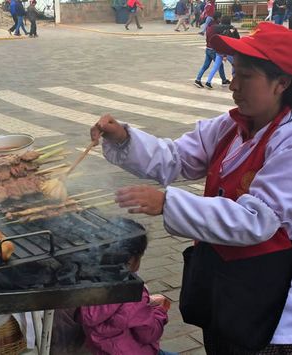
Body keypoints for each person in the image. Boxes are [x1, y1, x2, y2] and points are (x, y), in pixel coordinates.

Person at [90, 22, 292, 354]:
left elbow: (257, 219)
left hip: (268, 304)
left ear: (281, 83)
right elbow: (177, 157)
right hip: (227, 286)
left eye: (246, 76)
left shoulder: (287, 141)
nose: (233, 85)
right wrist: (124, 137)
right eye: (233, 72)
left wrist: (168, 204)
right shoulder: (231, 125)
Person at [79, 235, 178, 355]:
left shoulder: (86, 285)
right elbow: (148, 334)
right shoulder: (133, 295)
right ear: (131, 260)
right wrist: (159, 311)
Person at [194, 11, 230, 88]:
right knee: (220, 65)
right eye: (220, 17)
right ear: (218, 18)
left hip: (208, 48)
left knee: (205, 66)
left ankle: (198, 79)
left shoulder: (209, 25)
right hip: (213, 49)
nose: (221, 19)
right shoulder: (216, 27)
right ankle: (223, 80)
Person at [204, 16, 239, 89]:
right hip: (228, 51)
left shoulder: (218, 28)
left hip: (219, 50)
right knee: (236, 64)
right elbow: (238, 39)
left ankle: (208, 82)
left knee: (215, 67)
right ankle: (235, 80)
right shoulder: (232, 28)